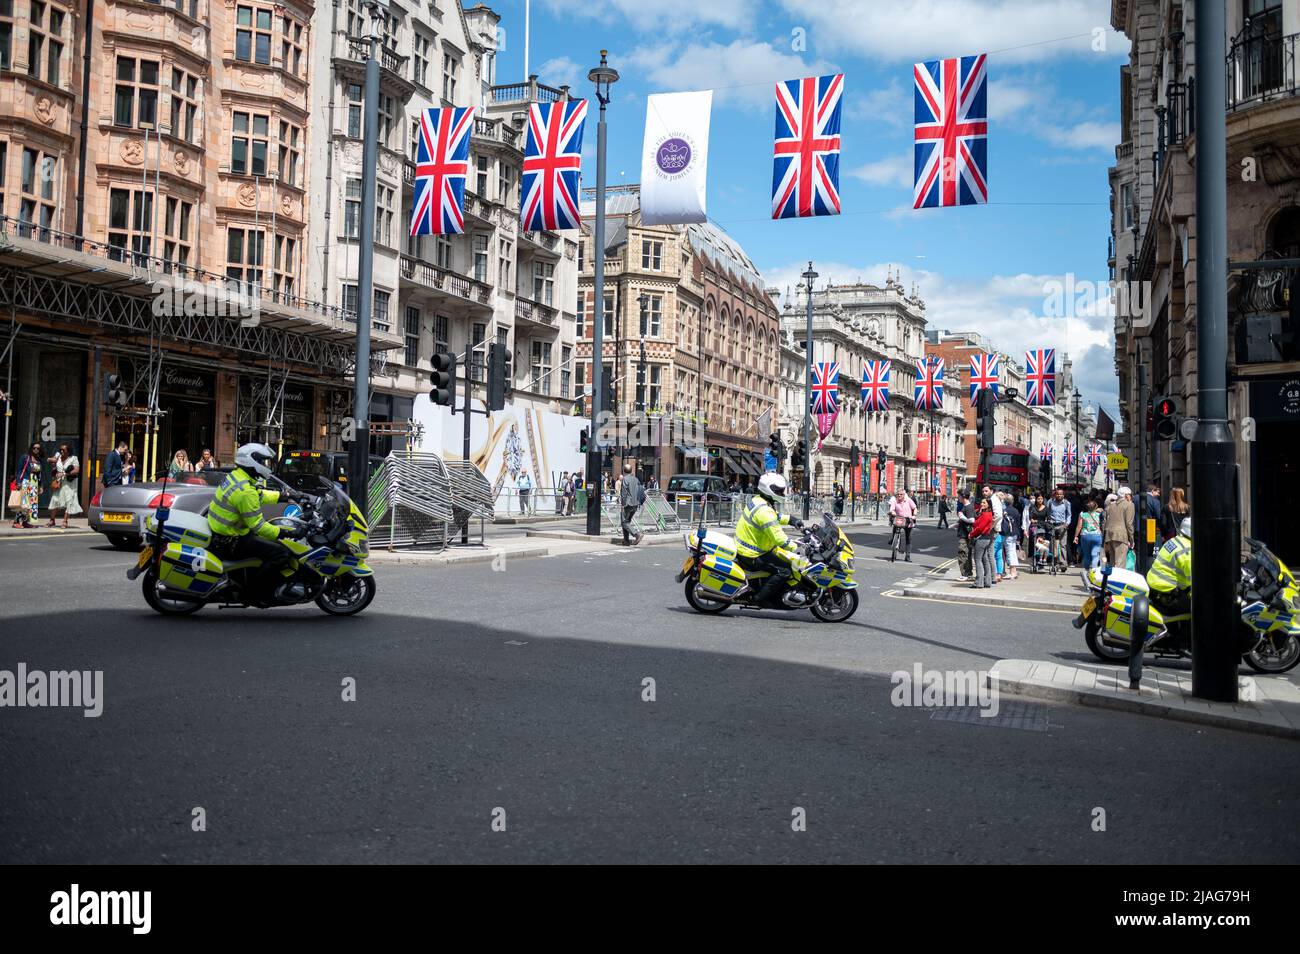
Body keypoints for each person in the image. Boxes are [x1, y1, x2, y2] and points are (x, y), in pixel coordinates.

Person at [206, 443, 307, 600]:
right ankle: (258, 591)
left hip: (223, 532)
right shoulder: (245, 491)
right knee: (282, 553)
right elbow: (258, 525)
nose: (265, 465)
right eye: (262, 462)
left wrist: (284, 496)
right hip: (231, 540)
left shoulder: (237, 477)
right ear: (250, 461)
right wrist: (284, 532)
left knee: (271, 538)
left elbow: (259, 495)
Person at [734, 473, 804, 605]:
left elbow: (774, 517)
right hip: (753, 553)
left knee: (785, 561)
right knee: (785, 570)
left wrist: (791, 520)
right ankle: (758, 599)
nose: (782, 493)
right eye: (779, 491)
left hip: (749, 547)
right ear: (769, 489)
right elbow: (779, 538)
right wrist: (797, 548)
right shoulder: (764, 511)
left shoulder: (759, 501)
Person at [1146, 517, 1192, 635]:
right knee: (1200, 608)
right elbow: (1193, 581)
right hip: (1166, 592)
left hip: (1155, 585)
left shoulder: (1175, 541)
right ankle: (1184, 642)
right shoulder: (1187, 551)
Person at [46, 444, 83, 529]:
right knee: (55, 499)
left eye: (64, 450)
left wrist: (65, 474)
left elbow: (77, 470)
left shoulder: (73, 458)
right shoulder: (58, 456)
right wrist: (50, 461)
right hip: (59, 482)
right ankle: (52, 520)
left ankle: (65, 521)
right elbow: (51, 461)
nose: (61, 451)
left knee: (69, 500)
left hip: (69, 483)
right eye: (60, 450)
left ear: (68, 451)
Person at [11, 442, 43, 528]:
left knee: (31, 505)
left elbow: (39, 474)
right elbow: (19, 471)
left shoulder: (39, 460)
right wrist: (18, 482)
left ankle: (25, 522)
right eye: (34, 448)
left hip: (34, 484)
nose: (36, 450)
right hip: (25, 482)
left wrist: (41, 485)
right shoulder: (25, 458)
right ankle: (16, 522)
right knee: (23, 503)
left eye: (38, 448)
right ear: (31, 448)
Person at [1104, 487, 1136, 570]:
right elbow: (1129, 524)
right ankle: (1117, 582)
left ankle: (1111, 580)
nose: (1131, 497)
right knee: (1120, 564)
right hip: (1121, 536)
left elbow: (1106, 521)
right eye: (1130, 495)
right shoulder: (1130, 505)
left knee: (1112, 562)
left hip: (1110, 535)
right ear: (1126, 495)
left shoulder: (1111, 505)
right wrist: (1131, 539)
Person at [970, 498, 996, 589]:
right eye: (981, 502)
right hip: (986, 538)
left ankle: (978, 582)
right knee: (985, 560)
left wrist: (971, 534)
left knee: (978, 560)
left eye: (984, 502)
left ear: (989, 504)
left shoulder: (986, 514)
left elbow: (979, 528)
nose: (982, 503)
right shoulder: (986, 513)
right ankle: (987, 582)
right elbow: (977, 523)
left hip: (981, 539)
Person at [888, 488, 917, 561]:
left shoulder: (908, 500)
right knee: (895, 529)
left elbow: (915, 508)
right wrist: (892, 512)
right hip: (899, 519)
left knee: (908, 538)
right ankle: (894, 540)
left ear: (904, 495)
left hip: (908, 520)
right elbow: (892, 509)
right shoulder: (895, 501)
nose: (899, 495)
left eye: (901, 494)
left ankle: (908, 556)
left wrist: (914, 515)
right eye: (898, 494)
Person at [617, 463, 643, 546]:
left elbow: (624, 493)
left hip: (628, 504)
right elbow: (640, 490)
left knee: (624, 522)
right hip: (635, 504)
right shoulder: (636, 479)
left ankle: (637, 534)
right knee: (626, 522)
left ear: (624, 471)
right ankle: (626, 541)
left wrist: (623, 504)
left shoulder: (625, 479)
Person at [1074, 497, 1103, 570]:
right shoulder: (1099, 514)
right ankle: (1094, 570)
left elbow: (1079, 526)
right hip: (1097, 535)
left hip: (1085, 535)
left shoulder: (1082, 515)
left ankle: (1086, 570)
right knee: (1095, 554)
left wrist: (1076, 536)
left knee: (1086, 554)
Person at [1046, 487, 1072, 566]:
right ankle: (1055, 561)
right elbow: (1047, 513)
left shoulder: (1067, 503)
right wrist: (1048, 521)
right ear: (1055, 494)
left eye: (1061, 494)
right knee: (1054, 544)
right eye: (1057, 494)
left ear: (1063, 495)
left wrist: (1067, 523)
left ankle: (1063, 563)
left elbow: (1069, 515)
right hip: (1053, 526)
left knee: (1062, 545)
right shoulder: (1050, 502)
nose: (1059, 496)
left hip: (1062, 526)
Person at [1000, 492, 1021, 580]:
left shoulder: (1004, 510)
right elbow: (1018, 523)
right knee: (1012, 552)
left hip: (1007, 533)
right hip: (1014, 533)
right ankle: (1014, 571)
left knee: (1009, 552)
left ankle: (1012, 572)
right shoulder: (1015, 510)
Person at [955, 490, 975, 579]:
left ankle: (965, 574)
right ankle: (968, 574)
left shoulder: (969, 507)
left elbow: (972, 520)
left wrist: (962, 517)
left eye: (958, 496)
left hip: (965, 535)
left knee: (963, 554)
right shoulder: (966, 506)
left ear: (963, 496)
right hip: (965, 533)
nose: (958, 498)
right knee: (967, 554)